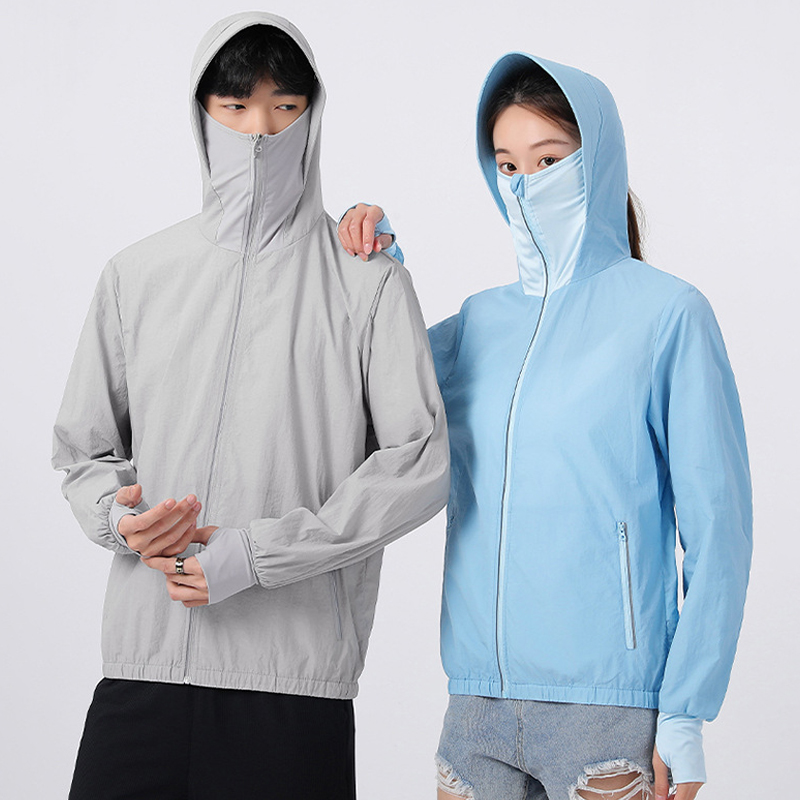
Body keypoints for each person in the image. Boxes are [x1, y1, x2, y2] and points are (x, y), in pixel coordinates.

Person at [52, 12, 449, 800]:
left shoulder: (367, 281)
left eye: (284, 107)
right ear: (202, 112)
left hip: (292, 684)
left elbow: (418, 462)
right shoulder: (137, 275)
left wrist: (258, 555)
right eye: (236, 106)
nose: (261, 130)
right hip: (143, 667)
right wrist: (119, 519)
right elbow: (84, 451)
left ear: (313, 115)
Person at [339, 53, 751, 800]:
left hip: (610, 711)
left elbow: (719, 531)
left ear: (598, 161)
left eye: (549, 159)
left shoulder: (668, 314)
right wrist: (377, 273)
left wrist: (686, 713)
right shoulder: (479, 323)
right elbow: (368, 396)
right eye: (507, 165)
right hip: (476, 706)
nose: (526, 183)